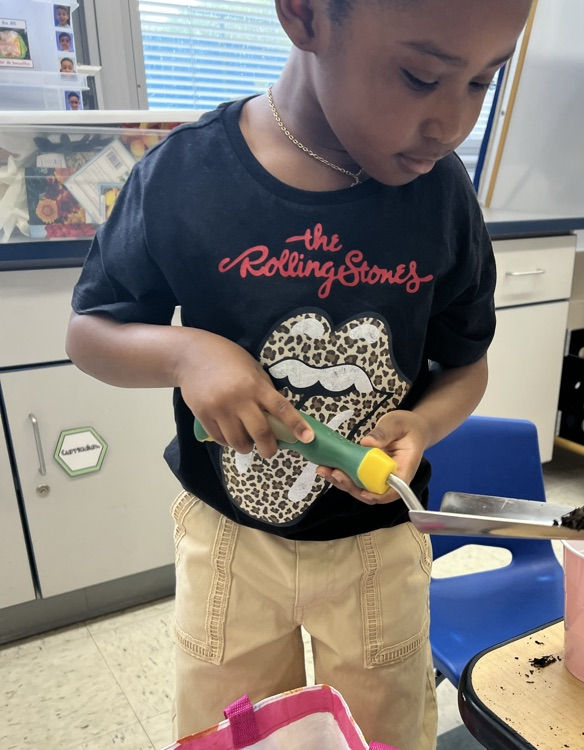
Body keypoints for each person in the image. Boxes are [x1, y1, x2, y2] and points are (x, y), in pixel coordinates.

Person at [64, 1, 533, 748]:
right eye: (420, 77)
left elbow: (466, 364)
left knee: (387, 734)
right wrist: (187, 353)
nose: (452, 124)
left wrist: (425, 422)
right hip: (229, 548)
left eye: (482, 82)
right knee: (230, 733)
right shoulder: (184, 176)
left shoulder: (443, 196)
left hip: (376, 549)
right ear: (306, 16)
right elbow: (90, 334)